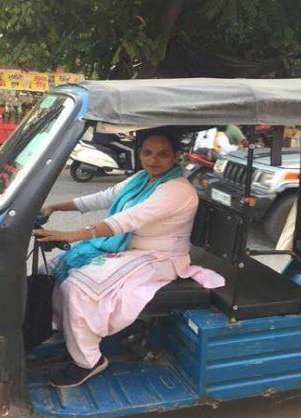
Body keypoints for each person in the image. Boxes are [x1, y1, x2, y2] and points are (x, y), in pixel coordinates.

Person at [33, 129, 225, 388]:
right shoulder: (141, 179)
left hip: (158, 257)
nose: (153, 160)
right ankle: (67, 333)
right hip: (128, 248)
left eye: (162, 154)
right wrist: (54, 206)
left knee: (79, 287)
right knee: (54, 267)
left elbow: (125, 221)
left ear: (176, 157)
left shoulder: (178, 190)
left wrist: (71, 234)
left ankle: (88, 360)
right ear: (139, 154)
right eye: (148, 153)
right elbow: (102, 198)